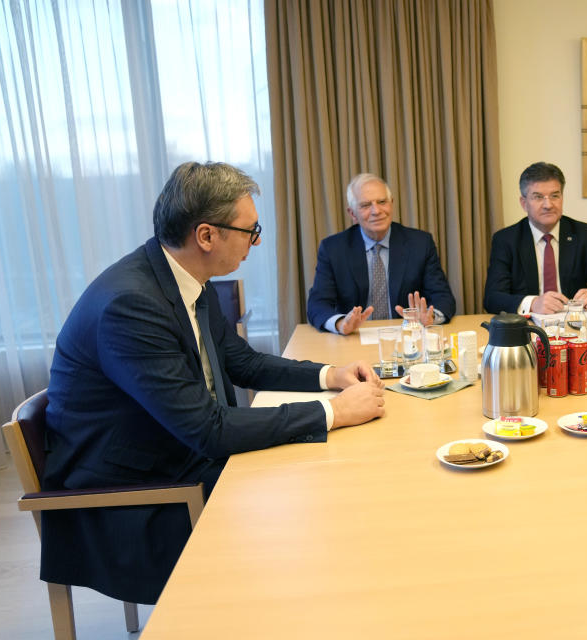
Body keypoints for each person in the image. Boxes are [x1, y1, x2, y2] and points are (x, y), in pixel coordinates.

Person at [42, 162, 386, 605]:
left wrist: (329, 376)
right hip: (131, 495)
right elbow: (209, 430)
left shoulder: (181, 278)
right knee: (305, 507)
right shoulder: (131, 305)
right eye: (250, 230)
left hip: (174, 452)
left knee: (320, 476)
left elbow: (241, 362)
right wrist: (334, 412)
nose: (256, 241)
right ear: (206, 236)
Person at [306, 173, 456, 334]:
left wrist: (430, 317)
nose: (376, 211)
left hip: (408, 337)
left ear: (391, 204)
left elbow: (443, 298)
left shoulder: (420, 243)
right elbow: (317, 304)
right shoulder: (333, 248)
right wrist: (341, 323)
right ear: (352, 214)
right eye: (365, 205)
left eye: (382, 202)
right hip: (355, 337)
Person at [483, 162, 587, 314]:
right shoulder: (506, 239)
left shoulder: (584, 234)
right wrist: (533, 303)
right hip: (528, 329)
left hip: (574, 327)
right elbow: (492, 298)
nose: (548, 205)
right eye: (538, 197)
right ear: (524, 203)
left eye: (555, 196)